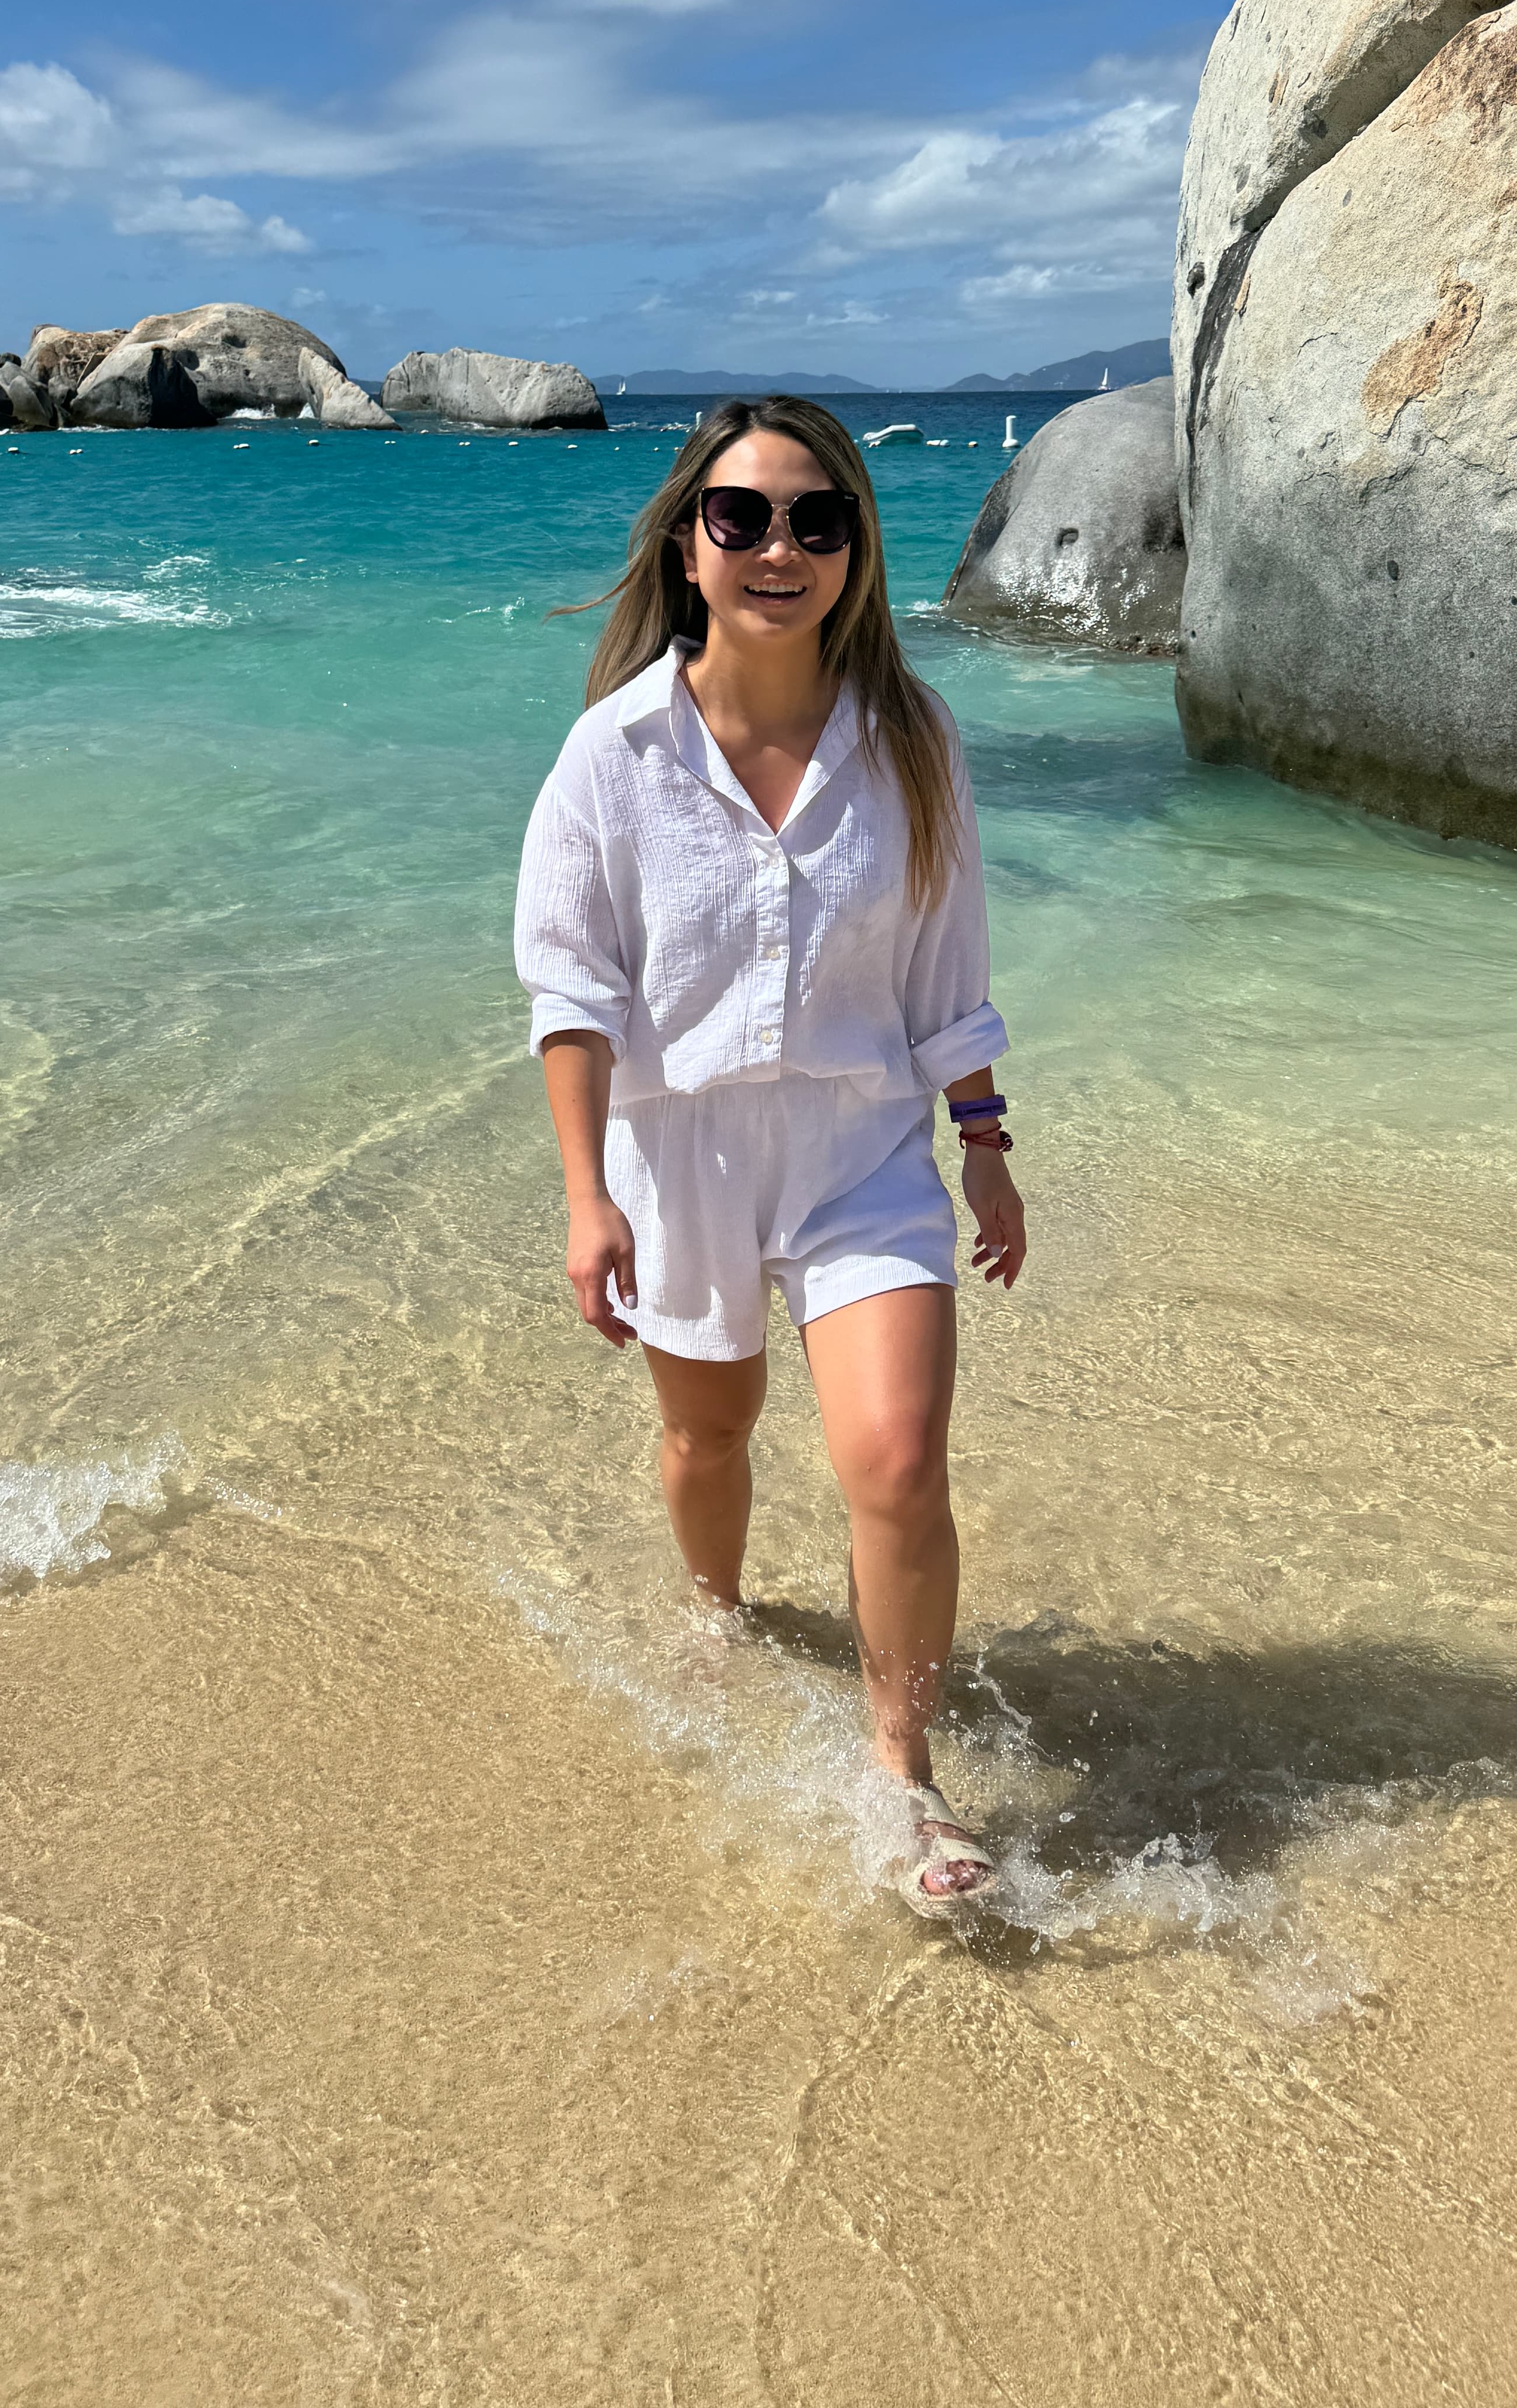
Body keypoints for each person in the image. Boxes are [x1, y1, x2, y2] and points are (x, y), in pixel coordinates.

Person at [514, 396, 1027, 1913]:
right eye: (743, 518)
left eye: (820, 520)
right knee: (710, 1440)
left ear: (857, 553)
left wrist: (985, 1146)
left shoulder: (913, 740)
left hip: (865, 1151)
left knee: (897, 1461)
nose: (780, 548)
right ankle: (716, 1615)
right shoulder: (616, 754)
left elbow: (949, 973)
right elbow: (572, 986)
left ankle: (905, 1777)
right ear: (689, 548)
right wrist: (585, 1194)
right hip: (680, 1160)